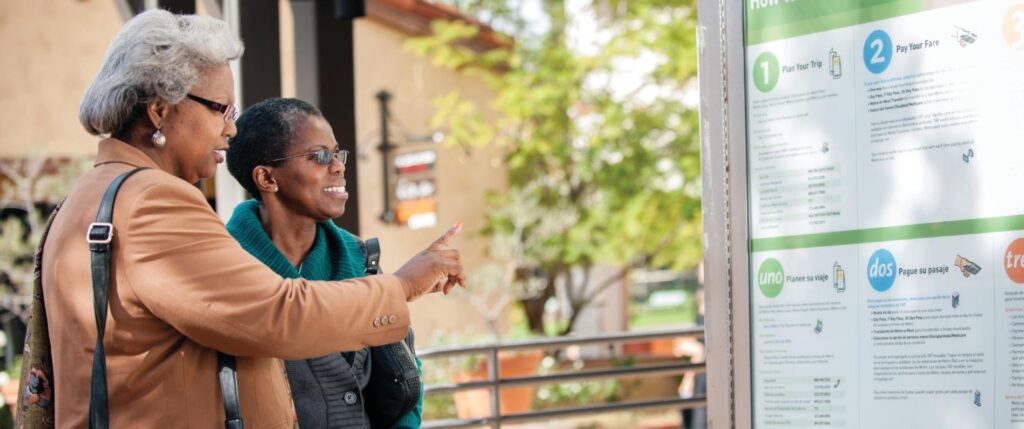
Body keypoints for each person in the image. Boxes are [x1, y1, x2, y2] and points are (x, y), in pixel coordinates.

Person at [36, 10, 464, 428]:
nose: (231, 130)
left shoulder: (83, 198)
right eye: (221, 109)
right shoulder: (153, 201)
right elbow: (279, 315)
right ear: (160, 111)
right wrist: (403, 285)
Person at [224, 97, 426, 428]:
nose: (338, 166)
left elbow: (404, 372)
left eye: (337, 153)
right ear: (267, 179)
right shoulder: (224, 265)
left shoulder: (361, 258)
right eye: (320, 156)